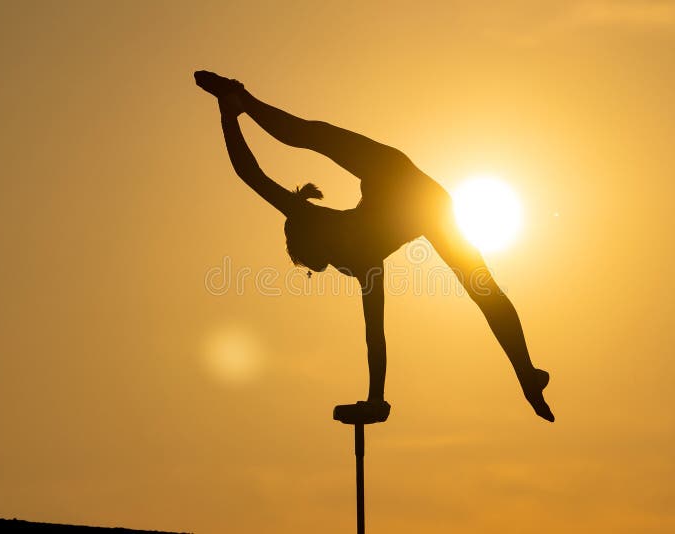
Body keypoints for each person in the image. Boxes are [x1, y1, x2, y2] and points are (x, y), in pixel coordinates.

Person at [195, 70, 554, 423]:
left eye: (325, 261)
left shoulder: (338, 243)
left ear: (318, 241)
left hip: (404, 188)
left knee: (308, 134)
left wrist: (229, 117)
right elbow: (375, 335)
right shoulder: (353, 256)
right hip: (424, 203)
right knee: (482, 289)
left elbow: (250, 173)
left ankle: (241, 100)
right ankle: (527, 373)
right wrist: (375, 398)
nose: (334, 266)